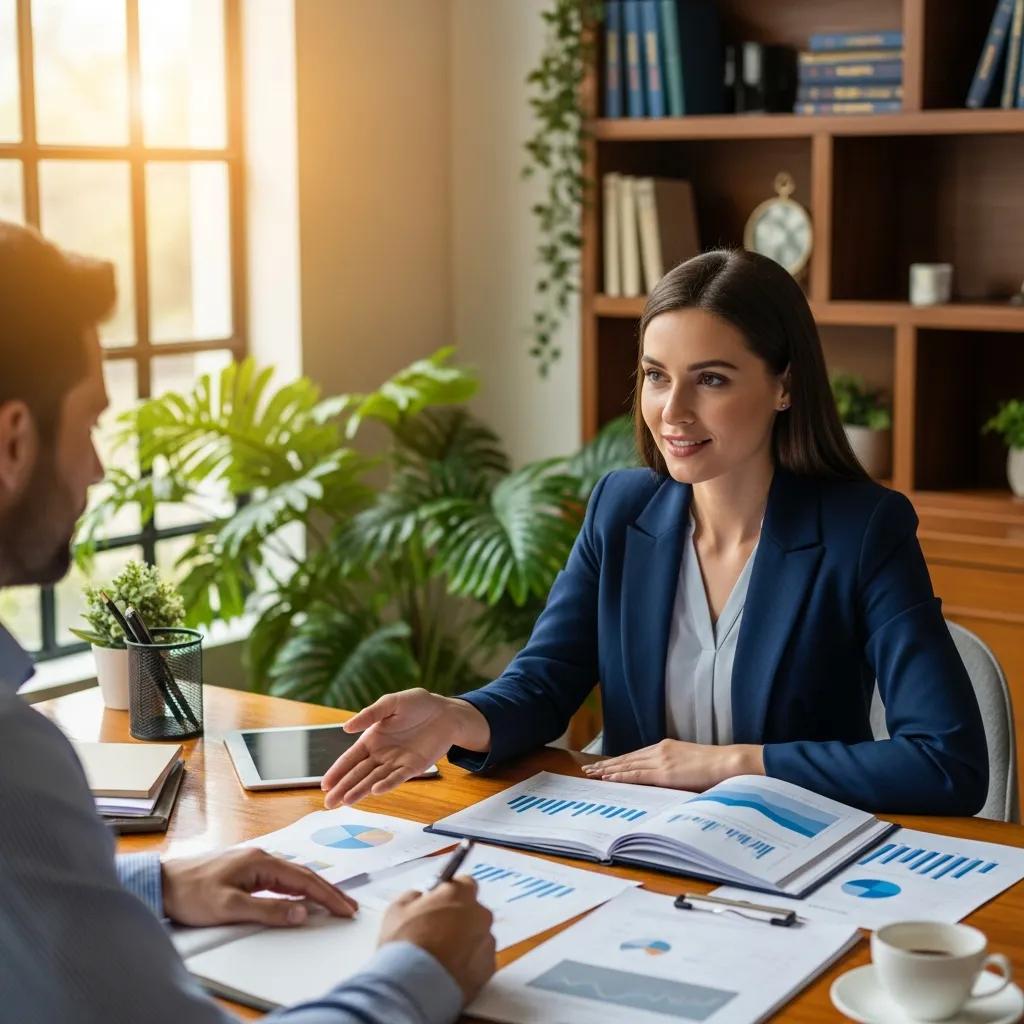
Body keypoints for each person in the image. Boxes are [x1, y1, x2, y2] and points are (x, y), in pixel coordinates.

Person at [0, 220, 496, 1024]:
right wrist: (420, 970)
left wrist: (151, 884)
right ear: (13, 441)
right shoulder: (11, 764)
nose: (95, 467)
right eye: (88, 422)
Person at [321, 249, 989, 817]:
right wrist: (457, 717)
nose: (673, 411)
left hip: (788, 856)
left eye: (712, 380)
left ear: (784, 386)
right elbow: (545, 682)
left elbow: (947, 762)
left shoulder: (862, 530)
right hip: (638, 845)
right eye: (656, 377)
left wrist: (733, 763)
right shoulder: (621, 509)